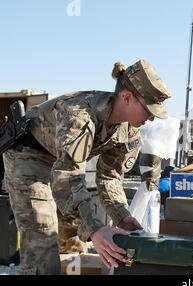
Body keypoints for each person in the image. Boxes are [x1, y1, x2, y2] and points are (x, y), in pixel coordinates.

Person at [2, 59, 171, 274]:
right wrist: (95, 229)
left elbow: (109, 175)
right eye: (149, 109)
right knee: (42, 231)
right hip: (29, 156)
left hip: (62, 162)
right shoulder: (79, 116)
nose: (152, 118)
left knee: (74, 239)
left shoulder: (129, 130)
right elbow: (68, 176)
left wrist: (122, 216)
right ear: (127, 98)